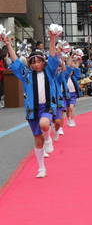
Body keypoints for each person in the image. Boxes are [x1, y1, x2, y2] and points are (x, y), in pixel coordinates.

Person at [2, 32, 59, 178]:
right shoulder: (27, 74)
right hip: (32, 110)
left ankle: (48, 138)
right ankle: (41, 168)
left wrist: (52, 38)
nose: (36, 64)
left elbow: (53, 55)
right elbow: (15, 62)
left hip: (46, 107)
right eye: (33, 62)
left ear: (43, 62)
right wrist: (8, 44)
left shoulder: (50, 71)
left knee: (45, 124)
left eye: (39, 61)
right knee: (37, 140)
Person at [65, 56, 82, 127]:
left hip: (73, 93)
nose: (70, 72)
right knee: (67, 109)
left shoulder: (74, 78)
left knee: (71, 107)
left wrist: (77, 63)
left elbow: (78, 74)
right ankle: (68, 118)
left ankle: (72, 119)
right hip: (66, 94)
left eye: (71, 71)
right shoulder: (64, 77)